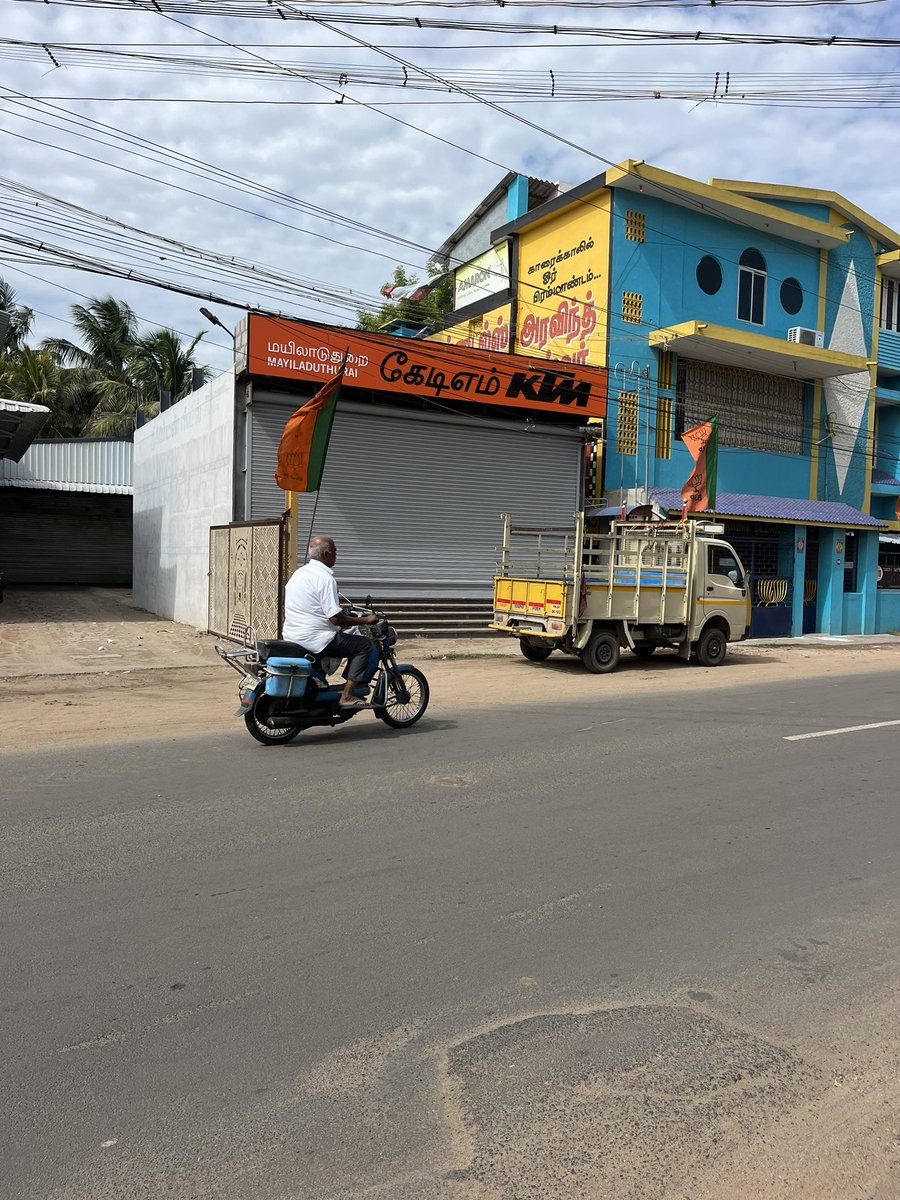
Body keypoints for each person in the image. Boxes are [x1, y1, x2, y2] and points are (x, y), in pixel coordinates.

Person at [282, 536, 379, 709]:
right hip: (316, 638)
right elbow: (335, 618)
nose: (336, 556)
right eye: (335, 552)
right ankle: (347, 696)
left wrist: (342, 618)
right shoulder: (325, 578)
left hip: (292, 635)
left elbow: (315, 606)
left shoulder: (299, 573)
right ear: (327, 554)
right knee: (363, 646)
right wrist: (366, 619)